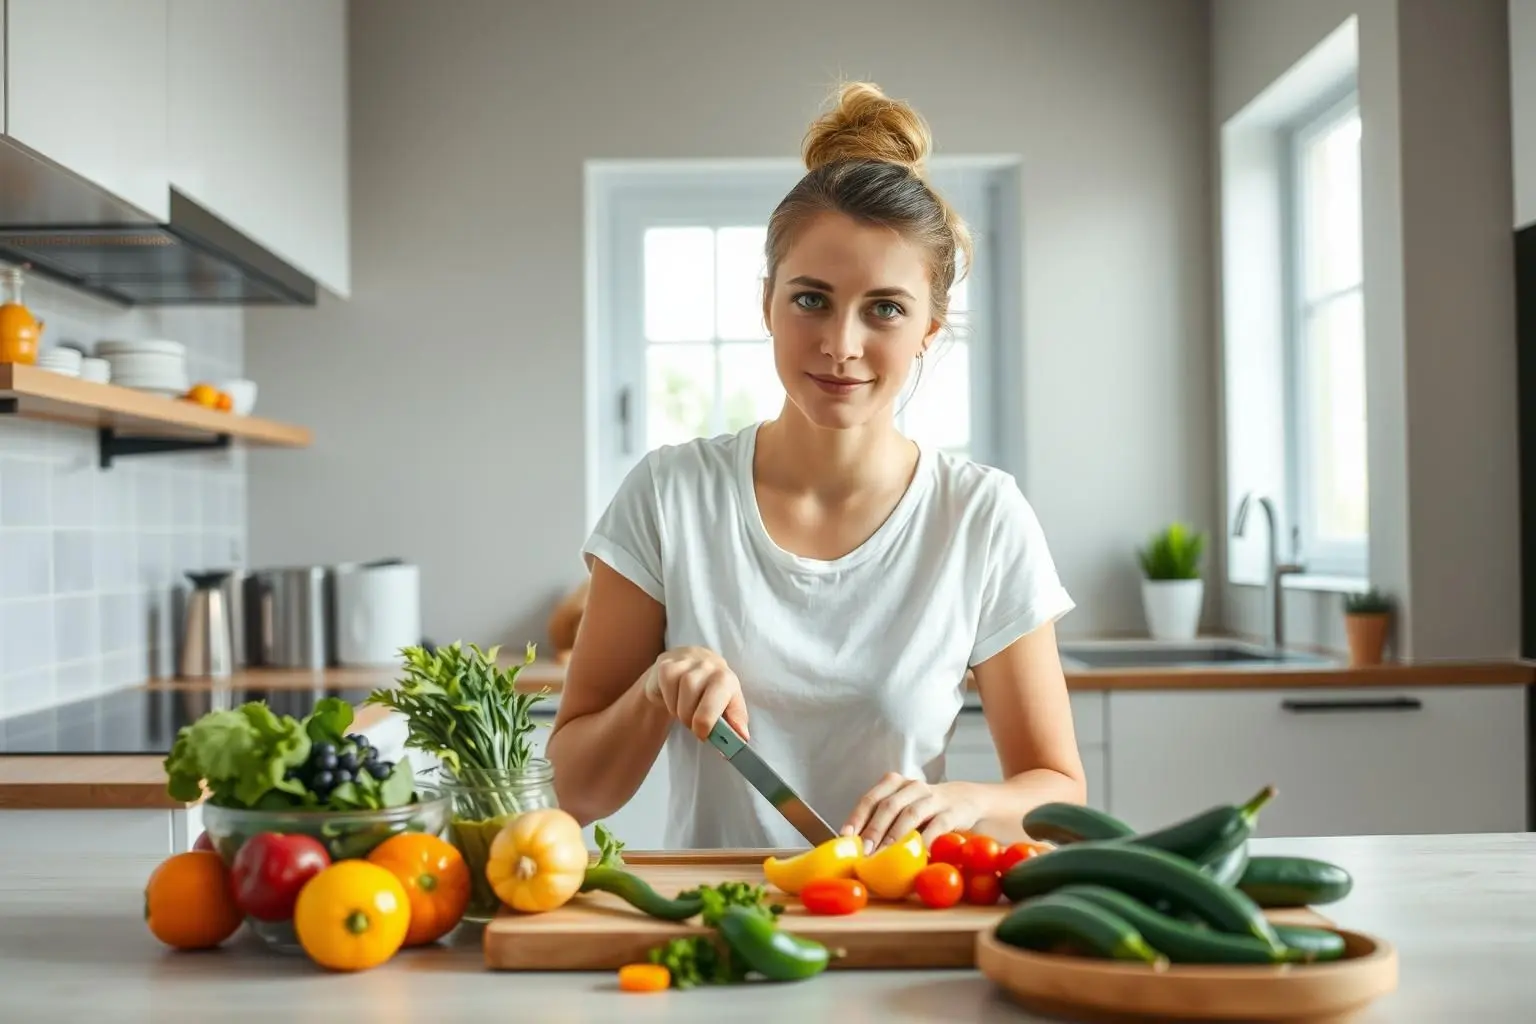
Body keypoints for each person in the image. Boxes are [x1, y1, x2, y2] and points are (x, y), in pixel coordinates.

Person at [547, 81, 1086, 853]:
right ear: (766, 302)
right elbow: (572, 790)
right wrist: (653, 692)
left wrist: (963, 803)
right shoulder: (670, 497)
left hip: (898, 921)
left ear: (930, 329)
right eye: (811, 300)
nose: (841, 343)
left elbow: (1058, 793)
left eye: (885, 309)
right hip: (716, 931)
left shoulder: (981, 517)